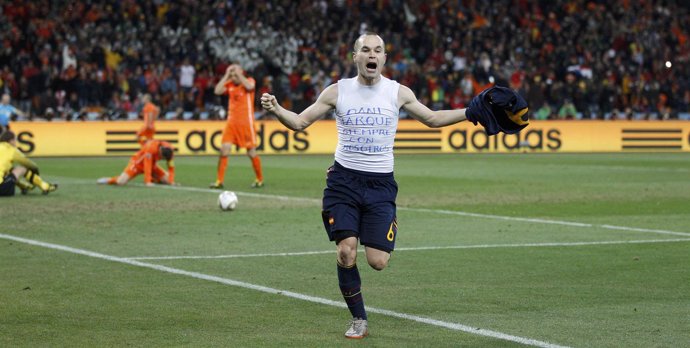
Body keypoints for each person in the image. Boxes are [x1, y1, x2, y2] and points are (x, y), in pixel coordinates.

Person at [260, 33, 472, 339]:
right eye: (365, 50)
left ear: (384, 58)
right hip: (344, 182)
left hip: (381, 184)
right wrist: (277, 109)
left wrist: (471, 112)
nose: (372, 55)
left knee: (378, 262)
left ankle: (379, 236)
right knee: (347, 252)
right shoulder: (338, 91)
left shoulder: (398, 93)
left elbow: (433, 119)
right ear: (355, 57)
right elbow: (299, 123)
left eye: (378, 50)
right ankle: (359, 318)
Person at [209, 63, 264, 189]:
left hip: (246, 123)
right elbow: (217, 91)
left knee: (251, 152)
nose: (233, 75)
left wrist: (237, 73)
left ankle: (259, 179)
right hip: (231, 123)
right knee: (224, 150)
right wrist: (227, 74)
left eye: (235, 73)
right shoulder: (230, 85)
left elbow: (250, 87)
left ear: (241, 72)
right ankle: (219, 181)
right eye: (232, 73)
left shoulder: (249, 81)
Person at [0, 130, 57, 196]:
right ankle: (45, 186)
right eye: (15, 140)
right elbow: (27, 163)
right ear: (11, 140)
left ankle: (23, 186)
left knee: (8, 170)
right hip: (2, 189)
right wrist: (35, 169)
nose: (16, 142)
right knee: (21, 169)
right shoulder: (12, 150)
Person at [97, 139, 175, 186]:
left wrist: (171, 181)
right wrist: (147, 181)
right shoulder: (151, 148)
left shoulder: (170, 151)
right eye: (160, 157)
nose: (161, 158)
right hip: (137, 164)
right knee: (121, 182)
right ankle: (109, 180)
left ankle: (154, 179)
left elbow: (171, 167)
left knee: (167, 180)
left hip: (152, 165)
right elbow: (147, 165)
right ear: (160, 151)